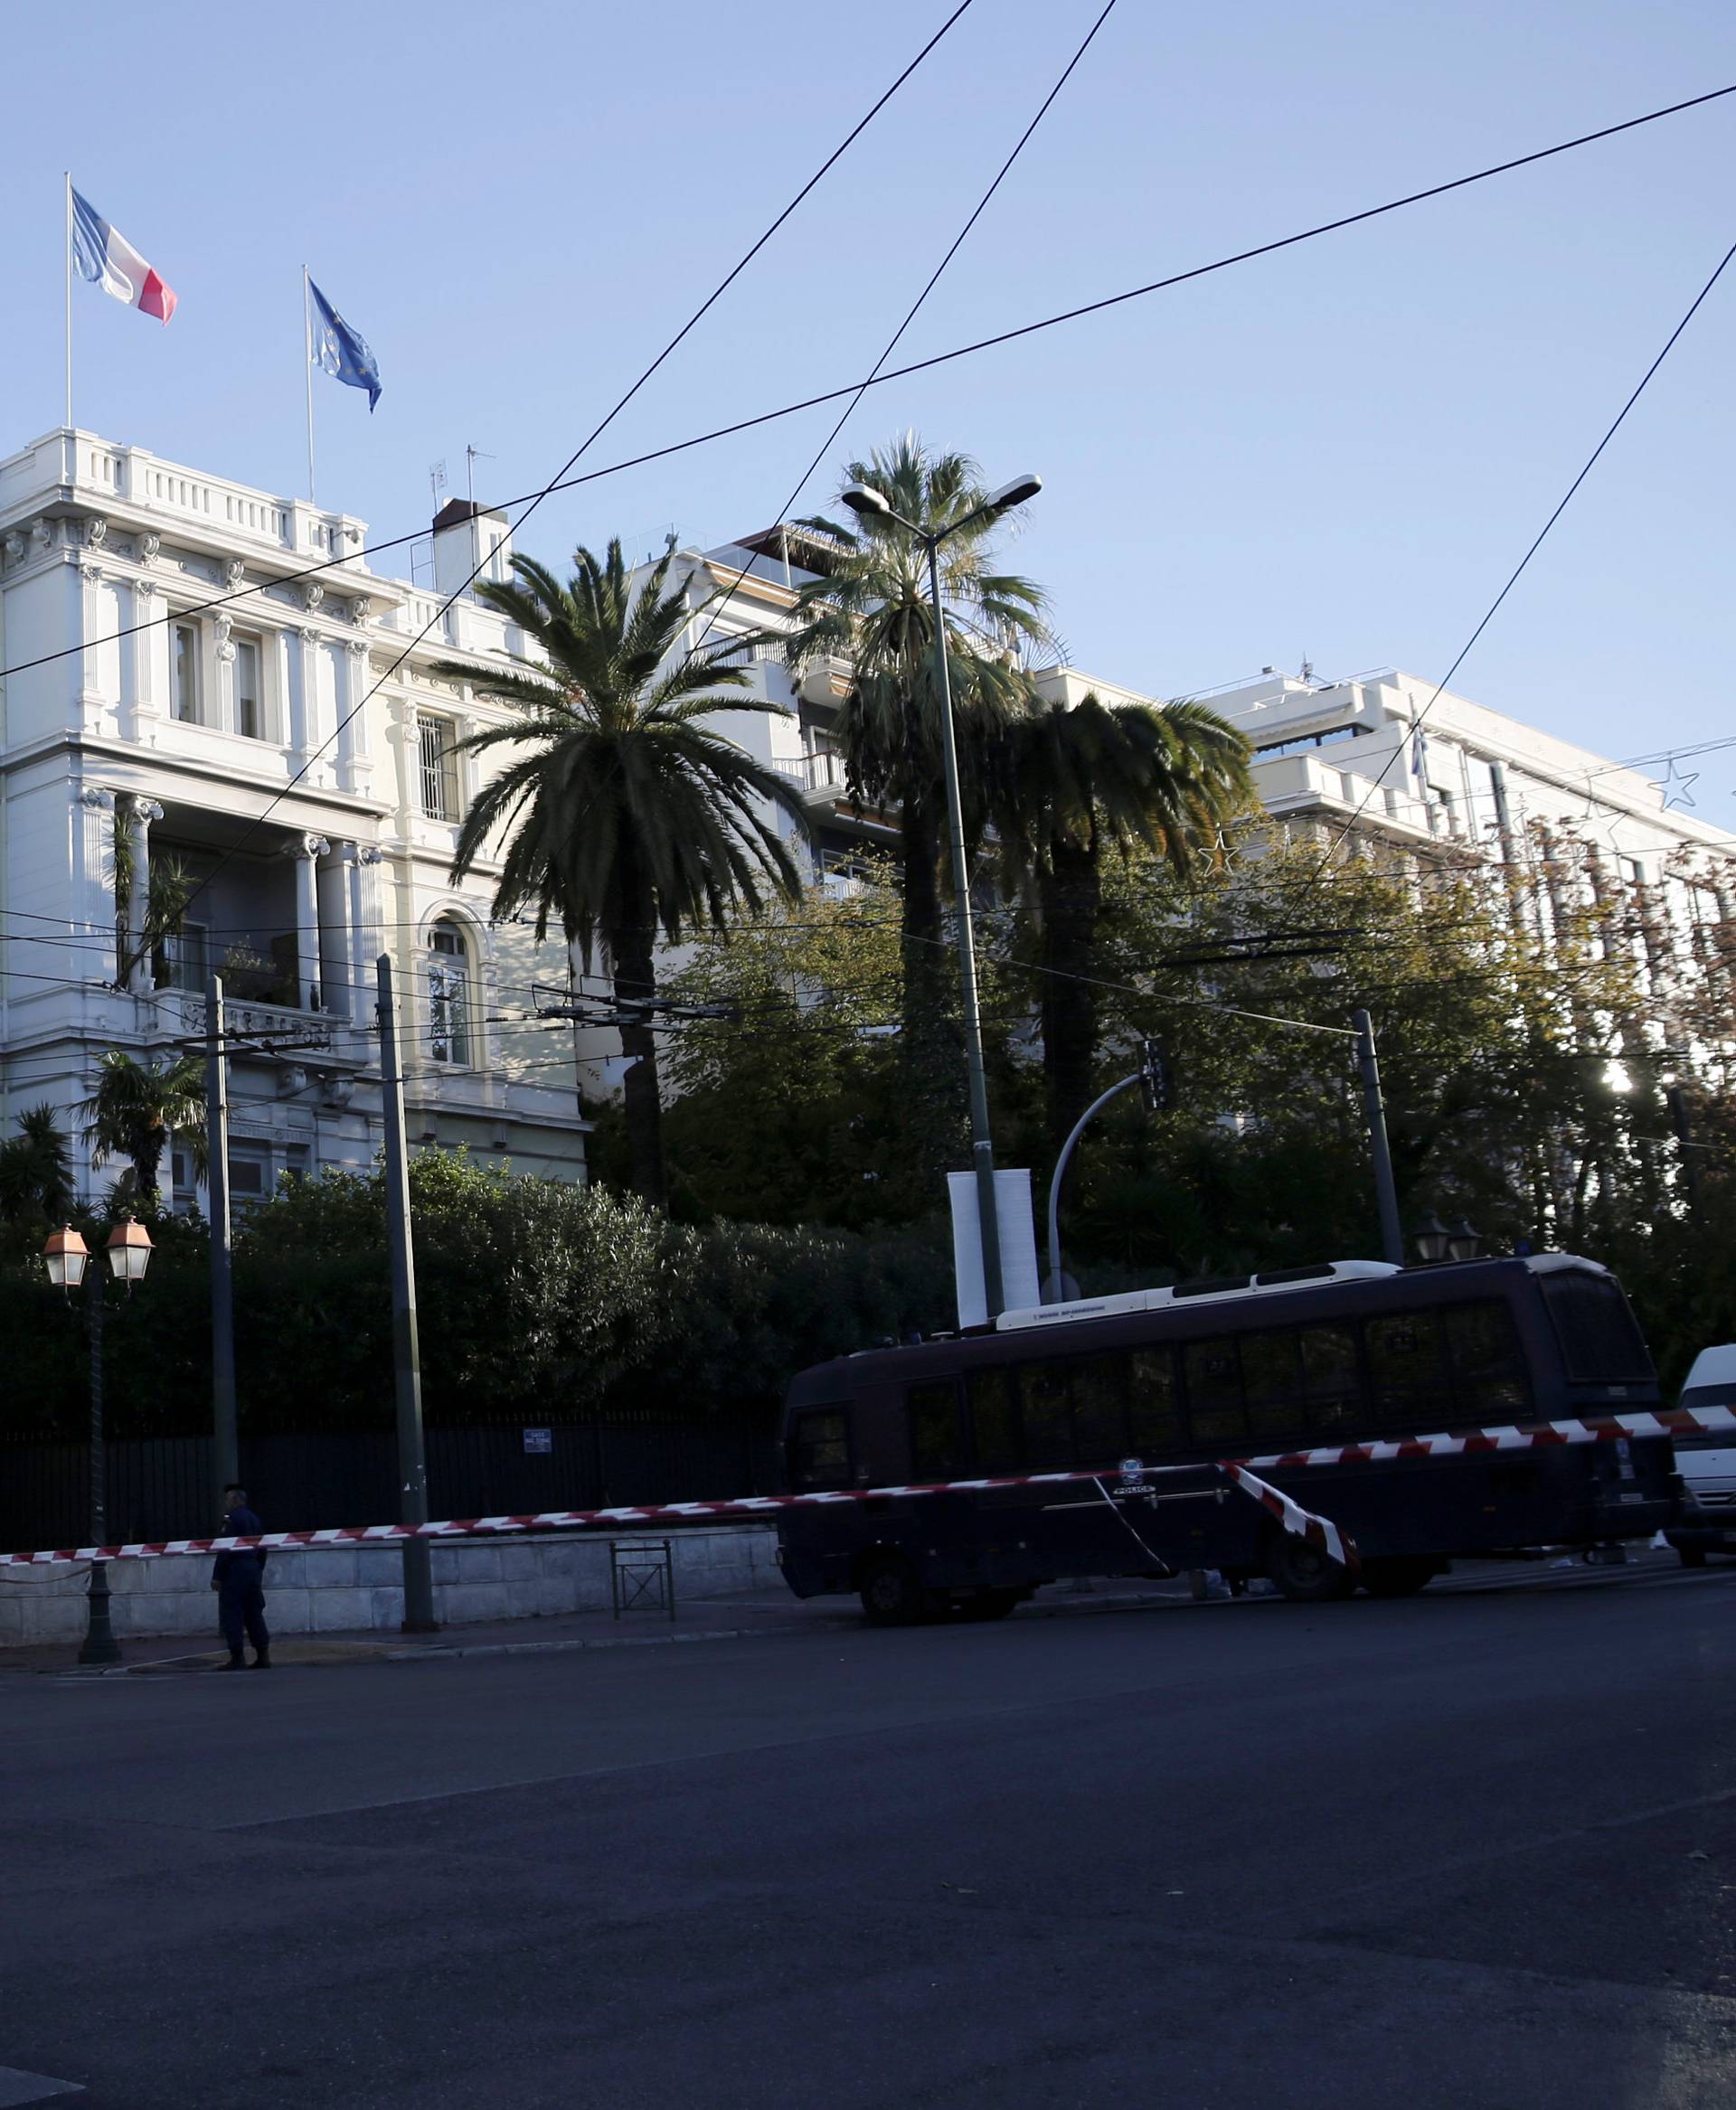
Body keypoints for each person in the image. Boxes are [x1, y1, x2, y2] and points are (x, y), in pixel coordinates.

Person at [212, 1484, 270, 1671]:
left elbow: (225, 1548)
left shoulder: (231, 1519)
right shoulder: (254, 1518)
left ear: (235, 1499)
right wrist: (258, 1568)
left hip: (235, 1570)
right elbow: (263, 1547)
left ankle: (237, 1657)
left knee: (233, 1613)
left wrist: (217, 1576)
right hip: (252, 1568)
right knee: (254, 1613)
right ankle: (263, 1655)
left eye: (228, 1499)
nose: (226, 1503)